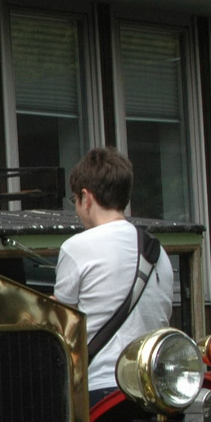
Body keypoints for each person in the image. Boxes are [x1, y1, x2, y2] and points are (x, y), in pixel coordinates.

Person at [53, 147, 173, 406]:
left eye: (75, 199)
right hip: (155, 388)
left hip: (102, 389)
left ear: (86, 197)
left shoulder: (76, 248)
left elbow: (62, 324)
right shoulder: (157, 252)